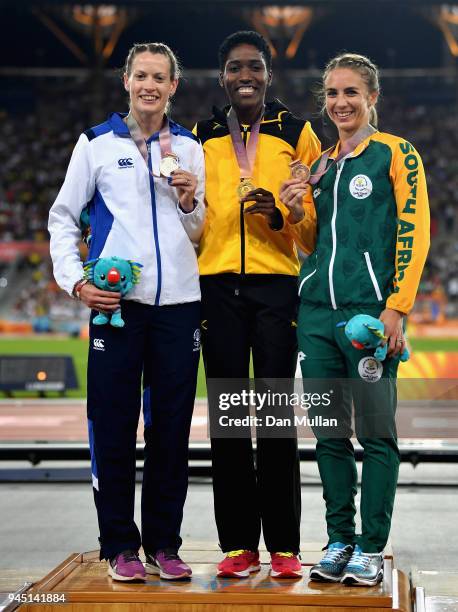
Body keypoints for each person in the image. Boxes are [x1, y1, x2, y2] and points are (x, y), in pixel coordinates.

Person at [48, 42, 205, 582]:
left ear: (173, 86)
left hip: (180, 307)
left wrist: (190, 202)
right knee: (113, 427)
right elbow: (63, 218)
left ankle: (165, 543)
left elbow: (198, 231)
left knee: (171, 432)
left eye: (160, 77)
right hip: (116, 307)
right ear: (126, 82)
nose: (150, 86)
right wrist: (75, 282)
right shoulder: (94, 144)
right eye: (142, 76)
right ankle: (118, 546)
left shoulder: (189, 147)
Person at [280, 52, 430, 586]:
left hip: (369, 315)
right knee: (327, 437)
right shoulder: (318, 164)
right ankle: (339, 539)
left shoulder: (397, 153)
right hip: (316, 314)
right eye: (332, 94)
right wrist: (295, 210)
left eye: (351, 93)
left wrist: (397, 306)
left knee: (376, 435)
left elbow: (414, 230)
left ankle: (371, 547)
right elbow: (308, 243)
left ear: (372, 99)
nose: (340, 103)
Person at [193, 31, 320, 579]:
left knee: (272, 418)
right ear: (223, 76)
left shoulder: (298, 133)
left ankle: (286, 546)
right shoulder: (198, 136)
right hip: (215, 287)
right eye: (235, 67)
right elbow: (187, 217)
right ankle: (238, 545)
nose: (245, 75)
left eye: (255, 67)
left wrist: (282, 215)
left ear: (269, 75)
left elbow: (313, 226)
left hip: (275, 288)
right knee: (228, 420)